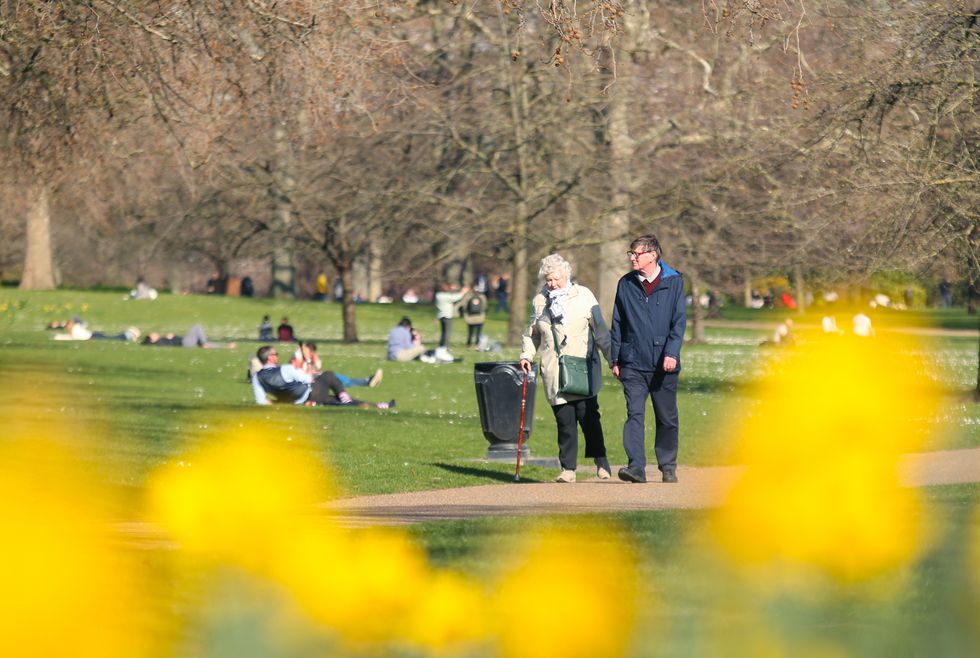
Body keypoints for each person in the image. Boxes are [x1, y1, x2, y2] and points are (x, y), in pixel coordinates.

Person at [520, 254, 613, 483]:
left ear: (567, 276)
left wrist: (613, 360)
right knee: (564, 421)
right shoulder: (540, 301)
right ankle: (568, 469)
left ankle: (601, 460)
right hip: (554, 369)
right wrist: (526, 355)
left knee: (588, 417)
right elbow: (532, 333)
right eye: (548, 280)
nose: (552, 284)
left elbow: (601, 331)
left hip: (582, 367)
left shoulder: (584, 295)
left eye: (556, 279)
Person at [610, 233, 686, 484]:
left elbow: (678, 322)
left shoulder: (674, 282)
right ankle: (636, 468)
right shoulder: (625, 283)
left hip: (664, 364)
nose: (632, 258)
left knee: (666, 418)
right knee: (635, 415)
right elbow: (617, 323)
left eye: (637, 253)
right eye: (631, 253)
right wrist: (615, 359)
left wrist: (671, 353)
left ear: (652, 255)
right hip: (632, 362)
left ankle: (668, 466)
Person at [251, 346, 394, 409]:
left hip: (302, 401)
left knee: (337, 402)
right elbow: (308, 379)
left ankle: (378, 406)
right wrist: (307, 369)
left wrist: (281, 402)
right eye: (276, 354)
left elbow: (261, 401)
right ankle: (344, 395)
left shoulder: (257, 377)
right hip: (311, 392)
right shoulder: (286, 369)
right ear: (270, 358)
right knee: (328, 375)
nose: (278, 356)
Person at [298, 341, 383, 388]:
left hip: (322, 376)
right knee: (345, 381)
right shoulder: (299, 359)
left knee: (346, 381)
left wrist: (313, 358)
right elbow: (308, 372)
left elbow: (318, 366)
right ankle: (368, 381)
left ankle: (368, 381)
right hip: (318, 379)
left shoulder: (307, 358)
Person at [434, 281, 469, 361]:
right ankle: (443, 348)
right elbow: (456, 297)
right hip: (446, 317)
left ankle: (443, 348)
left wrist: (454, 289)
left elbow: (452, 295)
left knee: (444, 333)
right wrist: (463, 291)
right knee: (446, 333)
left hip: (443, 316)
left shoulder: (440, 295)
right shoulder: (442, 296)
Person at [142, 323, 235, 348]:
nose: (154, 333)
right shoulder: (159, 342)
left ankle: (225, 346)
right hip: (184, 342)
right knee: (197, 327)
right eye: (152, 334)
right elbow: (170, 343)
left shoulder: (161, 340)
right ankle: (204, 343)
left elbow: (171, 341)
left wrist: (173, 336)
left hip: (185, 342)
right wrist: (171, 337)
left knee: (200, 343)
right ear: (152, 340)